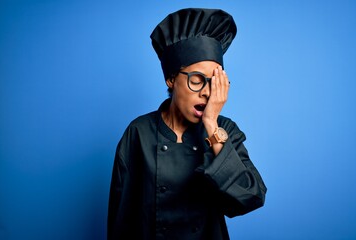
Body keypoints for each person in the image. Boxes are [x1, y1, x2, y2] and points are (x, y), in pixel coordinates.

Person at [107, 8, 267, 240]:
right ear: (171, 79)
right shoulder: (138, 133)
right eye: (197, 80)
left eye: (213, 82)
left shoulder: (225, 130)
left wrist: (211, 125)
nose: (206, 92)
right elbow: (121, 221)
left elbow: (250, 197)